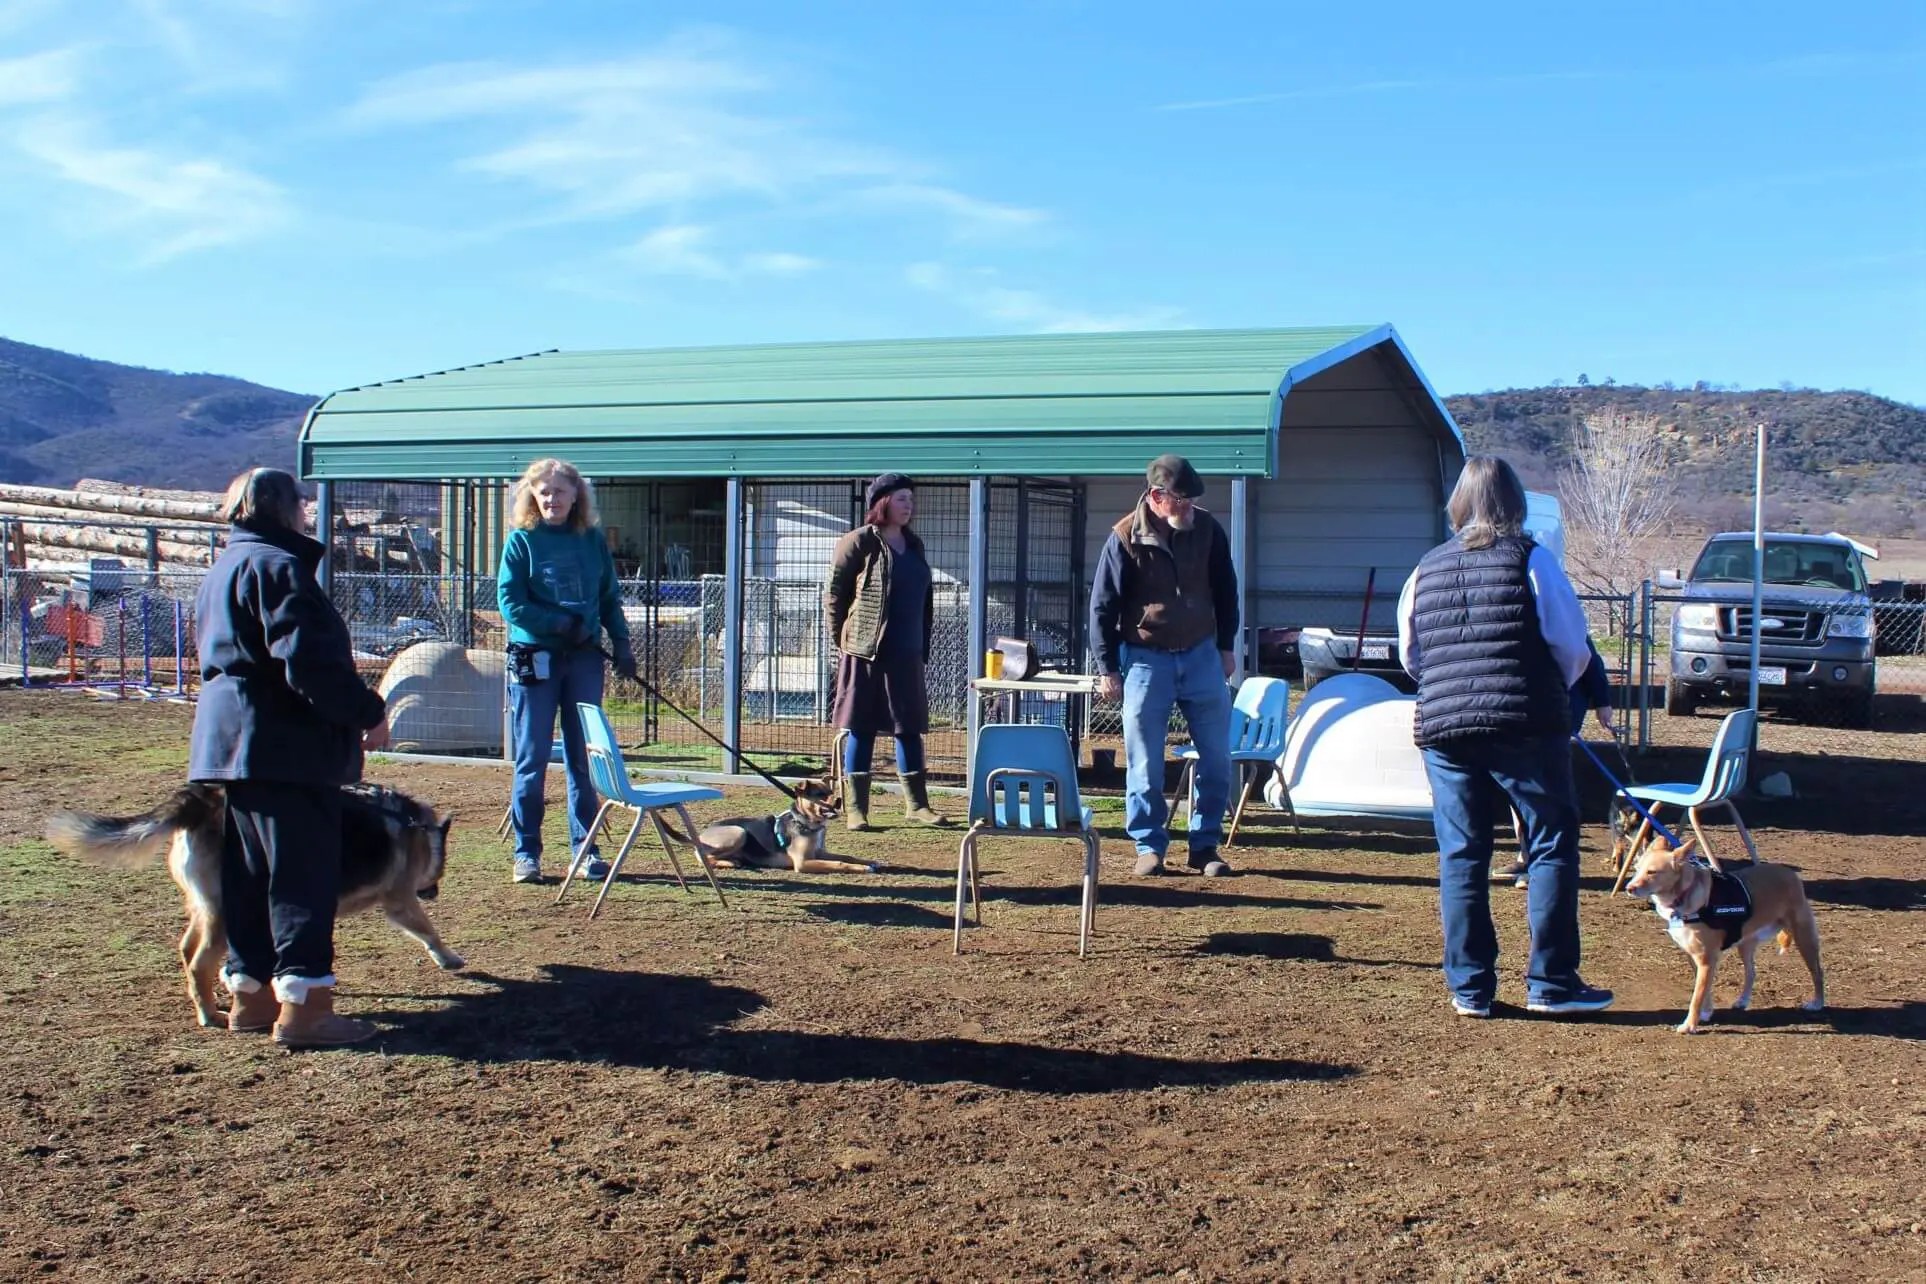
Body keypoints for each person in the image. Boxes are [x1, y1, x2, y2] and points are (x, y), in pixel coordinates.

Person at [1396, 455, 1613, 1018]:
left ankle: (1470, 988)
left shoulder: (1426, 567)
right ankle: (1552, 982)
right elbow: (1572, 647)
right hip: (1526, 723)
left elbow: (1411, 655)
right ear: (1515, 503)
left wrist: (1452, 686)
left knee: (1461, 854)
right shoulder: (1533, 560)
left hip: (1444, 726)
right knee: (1550, 845)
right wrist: (1548, 693)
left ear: (1459, 505)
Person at [189, 467, 390, 1048]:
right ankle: (306, 1010)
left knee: (249, 877)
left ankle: (250, 997)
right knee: (301, 877)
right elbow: (309, 666)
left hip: (230, 747)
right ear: (283, 509)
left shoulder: (222, 569)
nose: (307, 512)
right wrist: (367, 711)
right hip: (287, 749)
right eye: (302, 503)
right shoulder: (279, 569)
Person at [1090, 454, 1239, 878]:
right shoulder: (1122, 538)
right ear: (1157, 497)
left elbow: (1226, 590)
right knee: (1144, 761)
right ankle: (1149, 846)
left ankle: (1205, 844)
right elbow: (1102, 607)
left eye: (1192, 501)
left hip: (1202, 654)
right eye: (1182, 501)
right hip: (1145, 660)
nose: (1190, 508)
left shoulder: (1207, 530)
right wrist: (1108, 667)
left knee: (1216, 758)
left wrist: (1226, 646)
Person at [497, 458, 637, 885]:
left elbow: (609, 597)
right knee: (532, 758)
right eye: (543, 492)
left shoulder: (591, 540)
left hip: (584, 659)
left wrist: (623, 642)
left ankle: (586, 848)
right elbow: (510, 600)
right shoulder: (521, 541)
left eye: (559, 491)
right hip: (535, 659)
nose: (551, 499)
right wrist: (558, 623)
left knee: (583, 758)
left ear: (576, 495)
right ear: (532, 496)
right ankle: (527, 853)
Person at [825, 472, 945, 831]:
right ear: (882, 502)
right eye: (901, 498)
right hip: (865, 652)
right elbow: (835, 596)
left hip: (907, 652)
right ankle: (857, 809)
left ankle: (917, 805)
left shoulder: (915, 544)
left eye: (911, 498)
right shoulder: (858, 542)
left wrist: (921, 643)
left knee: (908, 727)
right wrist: (843, 640)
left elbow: (923, 600)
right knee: (860, 726)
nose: (909, 505)